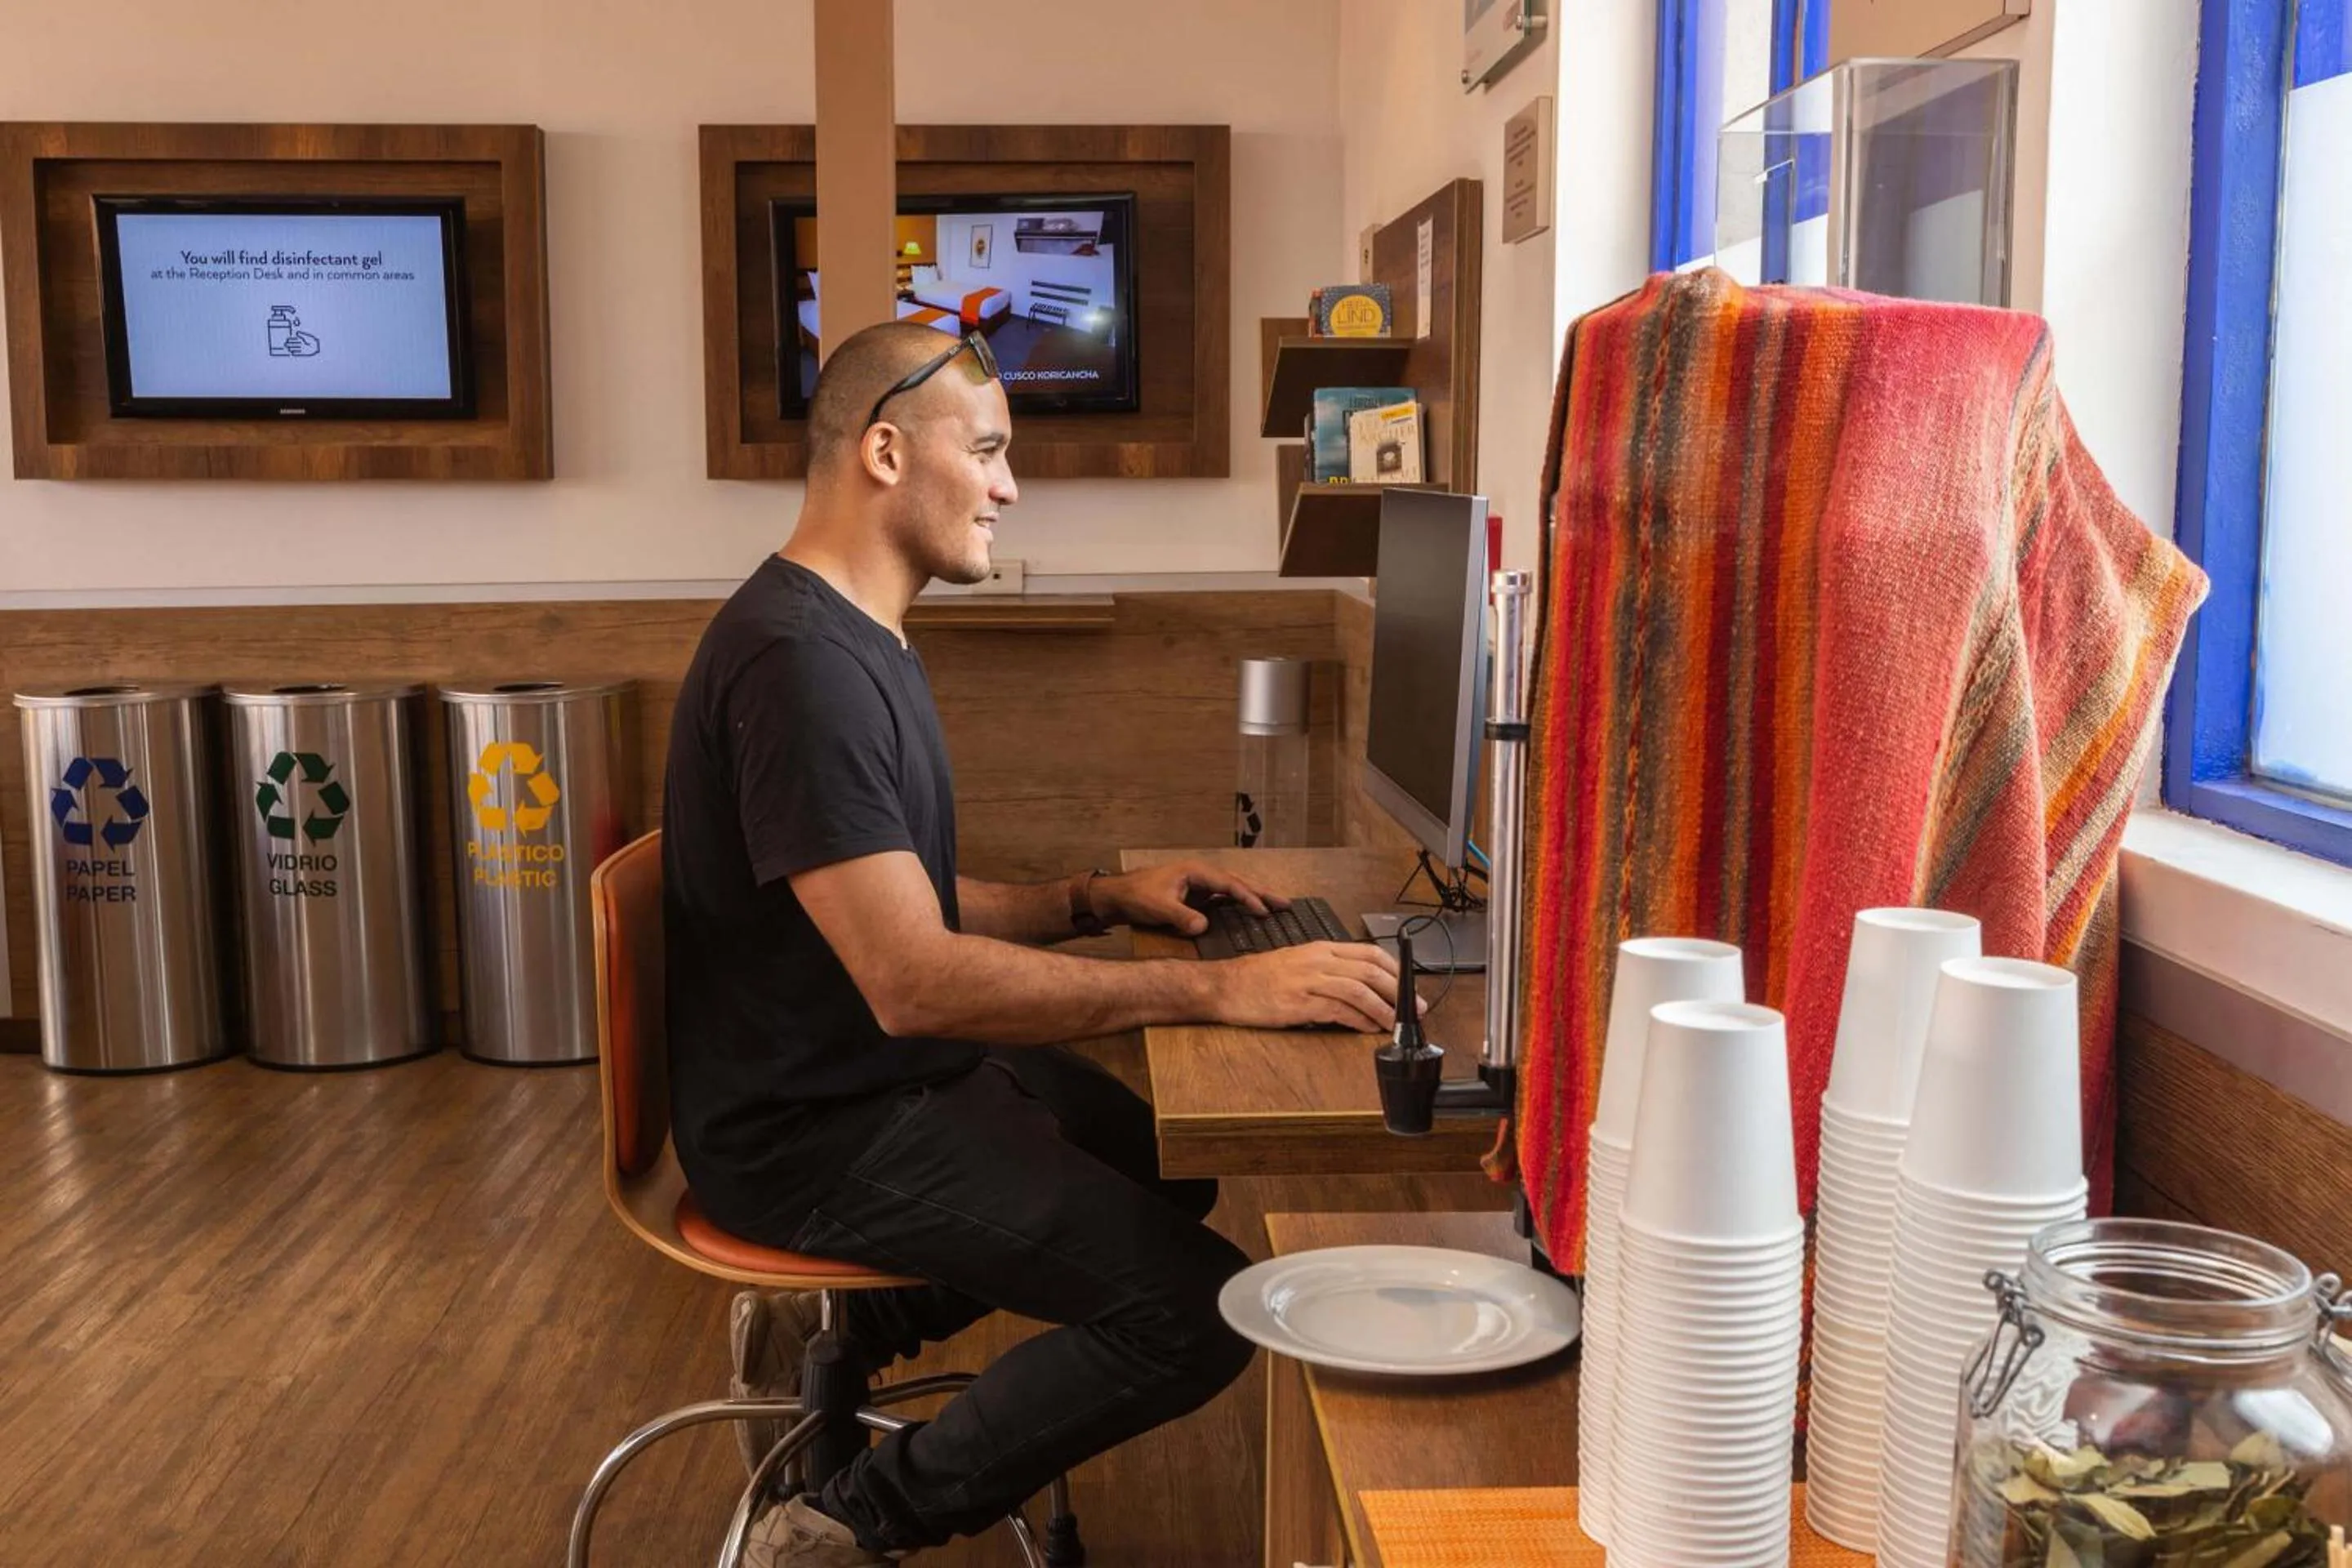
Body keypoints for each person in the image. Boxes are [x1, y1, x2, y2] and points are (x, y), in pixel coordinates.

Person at [662, 320, 1411, 1566]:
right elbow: (911, 978)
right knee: (1193, 1312)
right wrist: (1218, 994)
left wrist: (1093, 900)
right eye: (989, 452)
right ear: (886, 453)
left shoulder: (852, 633)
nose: (1009, 487)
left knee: (1167, 1165)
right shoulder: (800, 666)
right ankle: (840, 1526)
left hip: (870, 1081)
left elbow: (901, 900)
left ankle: (838, 1333)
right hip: (809, 1135)